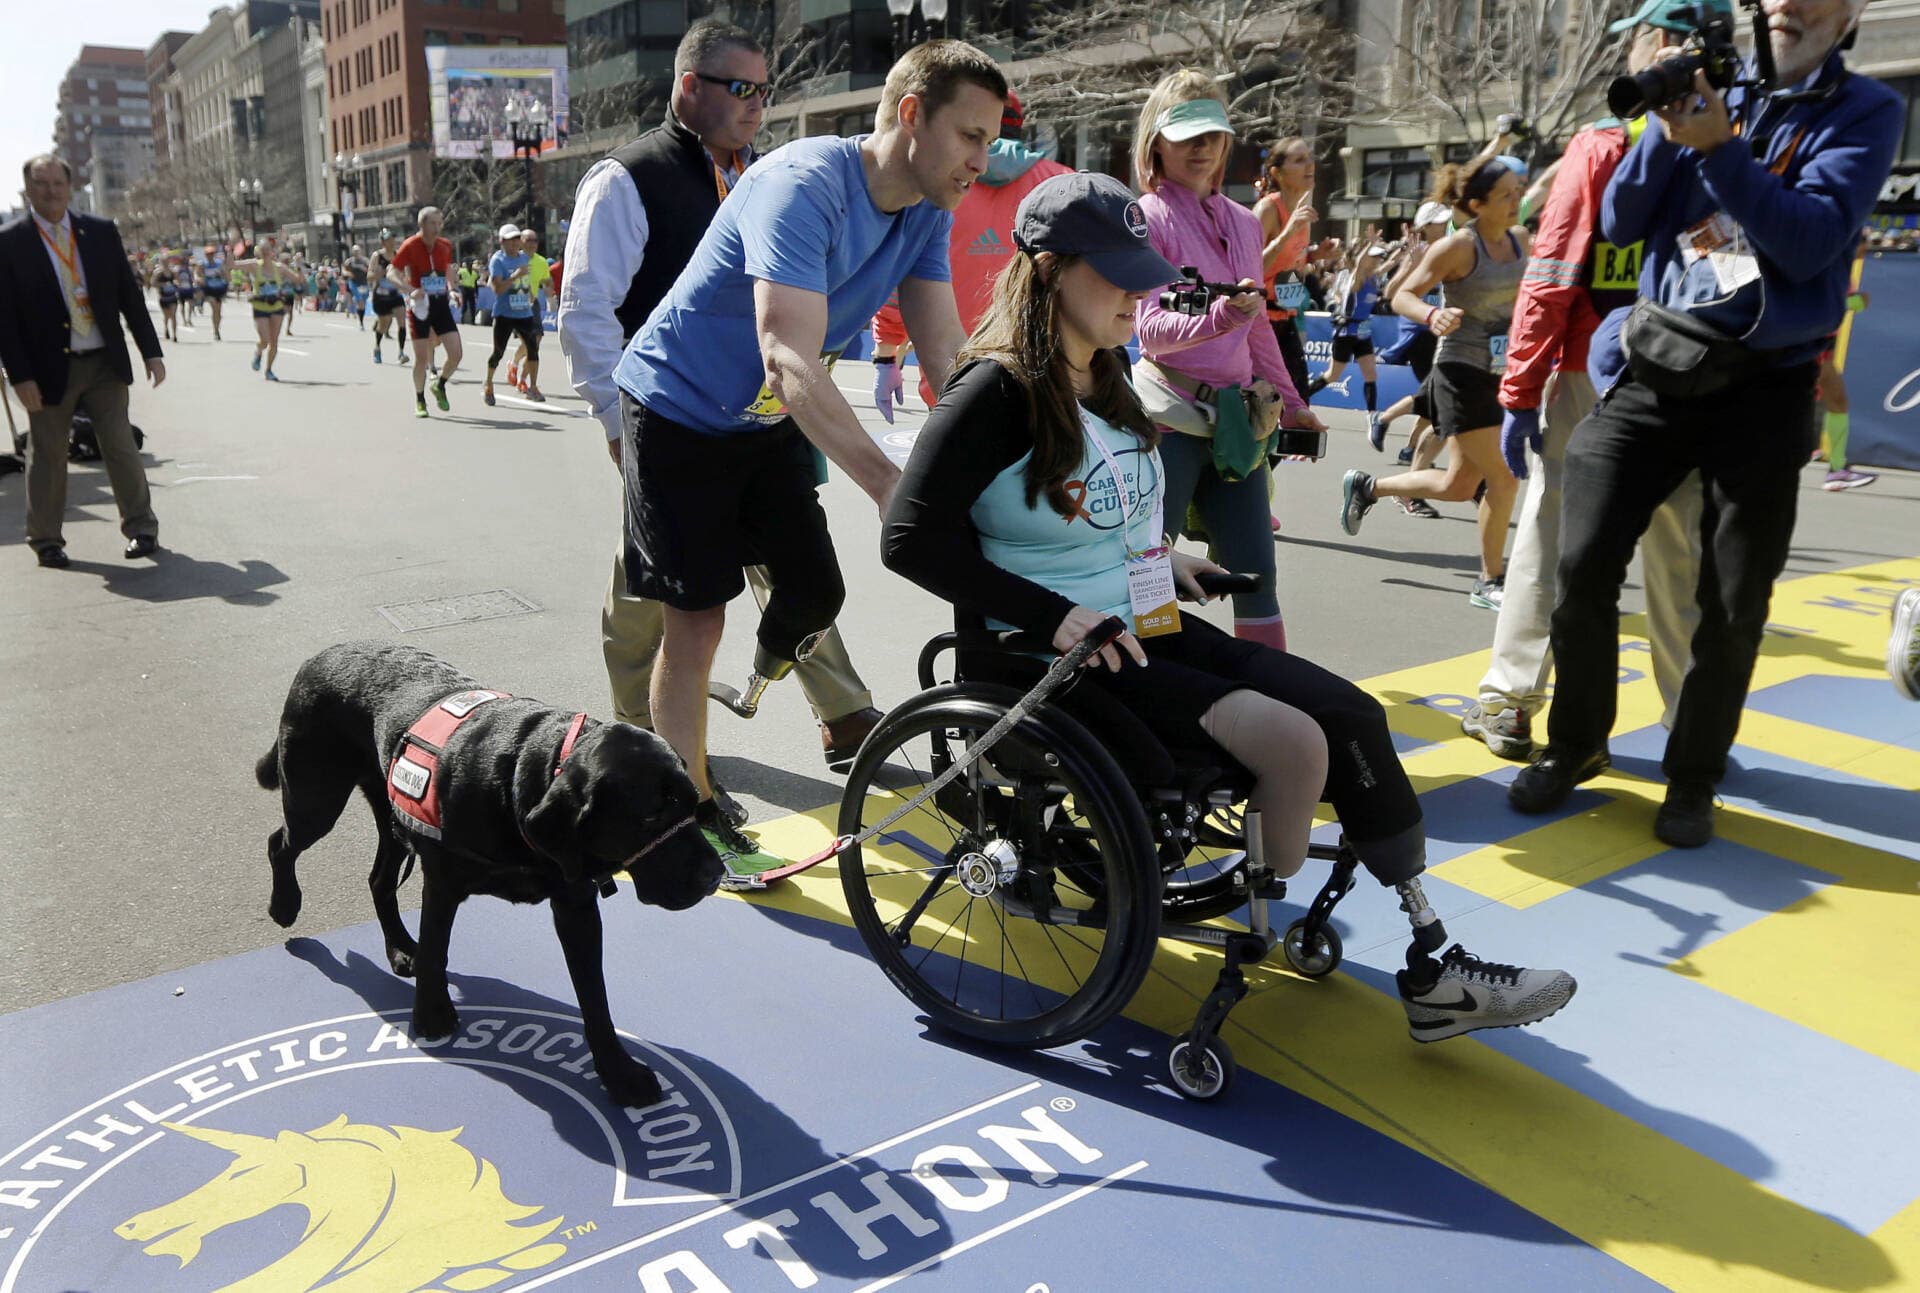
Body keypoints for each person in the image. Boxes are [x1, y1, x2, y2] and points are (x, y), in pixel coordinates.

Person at [883, 171, 1579, 1041]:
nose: (1142, 293)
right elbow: (909, 541)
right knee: (1294, 746)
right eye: (1120, 273)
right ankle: (1276, 899)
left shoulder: (1102, 376)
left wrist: (1170, 562)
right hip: (1047, 663)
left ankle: (1433, 962)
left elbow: (1100, 513)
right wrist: (1053, 615)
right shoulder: (991, 391)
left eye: (1146, 272)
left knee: (1352, 714)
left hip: (1139, 628)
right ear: (1052, 270)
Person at [606, 39, 1002, 882]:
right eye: (970, 135)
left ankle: (750, 687)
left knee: (817, 590)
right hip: (675, 409)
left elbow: (943, 357)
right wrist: (897, 488)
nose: (983, 159)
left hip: (759, 422)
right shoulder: (802, 184)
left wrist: (999, 464)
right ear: (910, 116)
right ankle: (689, 808)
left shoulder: (929, 205)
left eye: (991, 140)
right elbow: (789, 359)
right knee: (697, 618)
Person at [1510, 0, 1900, 847]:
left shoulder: (1868, 111)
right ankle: (1577, 744)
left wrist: (1720, 149)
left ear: (1852, 12)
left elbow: (1807, 242)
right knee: (1580, 568)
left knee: (1730, 601)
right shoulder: (1707, 84)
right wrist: (1667, 120)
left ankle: (1693, 776)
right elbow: (1620, 220)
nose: (1791, 6)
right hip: (1657, 368)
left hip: (1766, 387)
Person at [558, 19, 888, 805]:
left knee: (793, 568)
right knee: (653, 592)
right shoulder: (625, 179)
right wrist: (614, 424)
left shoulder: (768, 174)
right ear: (688, 87)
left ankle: (843, 713)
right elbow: (585, 310)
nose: (757, 106)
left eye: (765, 91)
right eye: (742, 89)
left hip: (760, 410)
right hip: (665, 419)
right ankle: (640, 736)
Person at [1463, 1, 1716, 762]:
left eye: (1636, 38)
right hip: (1692, 373)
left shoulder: (1603, 144)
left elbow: (1551, 276)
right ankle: (1690, 724)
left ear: (1658, 43)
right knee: (1681, 558)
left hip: (1584, 375)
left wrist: (1517, 391)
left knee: (1547, 538)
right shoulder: (1726, 144)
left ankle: (1510, 701)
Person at [1128, 72, 1323, 653]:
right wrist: (1222, 318)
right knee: (1149, 576)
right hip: (1167, 420)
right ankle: (1150, 692)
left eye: (1212, 134)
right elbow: (1148, 331)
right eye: (1187, 134)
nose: (1202, 148)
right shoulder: (1145, 217)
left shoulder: (1242, 222)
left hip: (1240, 426)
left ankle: (1275, 701)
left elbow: (1259, 326)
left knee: (1258, 578)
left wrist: (1294, 405)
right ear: (1156, 141)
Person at [1340, 156, 1531, 611]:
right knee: (1502, 478)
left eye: (1518, 191)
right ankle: (1490, 581)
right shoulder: (1459, 248)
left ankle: (1369, 488)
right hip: (1459, 373)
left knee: (1458, 487)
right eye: (1506, 194)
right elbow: (1399, 293)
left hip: (1500, 372)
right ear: (1477, 205)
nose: (1516, 200)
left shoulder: (1522, 240)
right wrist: (1431, 314)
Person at [0, 154, 164, 566]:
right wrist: (20, 376)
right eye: (41, 183)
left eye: (57, 183)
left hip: (104, 362)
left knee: (121, 446)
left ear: (70, 187)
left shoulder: (99, 232)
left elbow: (129, 295)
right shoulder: (9, 241)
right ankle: (46, 539)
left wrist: (151, 350)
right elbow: (4, 318)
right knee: (49, 454)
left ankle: (142, 529)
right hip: (47, 370)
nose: (50, 190)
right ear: (28, 189)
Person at [868, 89, 1072, 416]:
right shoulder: (1063, 184)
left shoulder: (937, 188)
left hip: (952, 383)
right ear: (1019, 127)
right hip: (1046, 380)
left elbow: (899, 277)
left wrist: (886, 353)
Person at [387, 207, 462, 418]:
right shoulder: (410, 245)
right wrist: (410, 290)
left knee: (456, 354)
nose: (437, 228)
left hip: (440, 304)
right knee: (421, 358)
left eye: (440, 223)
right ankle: (420, 399)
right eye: (433, 224)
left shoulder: (445, 245)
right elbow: (392, 272)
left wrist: (452, 289)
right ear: (422, 225)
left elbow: (447, 268)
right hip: (419, 306)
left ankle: (440, 384)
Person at [1305, 241, 1386, 421]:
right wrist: (1367, 246)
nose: (1377, 261)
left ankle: (1372, 415)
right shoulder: (1355, 278)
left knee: (1371, 374)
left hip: (1363, 334)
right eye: (1374, 258)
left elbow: (1391, 263)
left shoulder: (1374, 278)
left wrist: (1403, 250)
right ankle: (1303, 395)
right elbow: (1360, 263)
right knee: (1332, 376)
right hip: (1346, 332)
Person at [483, 223, 542, 405]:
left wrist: (531, 295)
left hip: (524, 312)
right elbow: (497, 289)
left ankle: (533, 386)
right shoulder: (498, 261)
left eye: (517, 239)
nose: (514, 243)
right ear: (502, 242)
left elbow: (525, 282)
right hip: (504, 314)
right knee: (498, 352)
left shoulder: (524, 258)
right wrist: (515, 275)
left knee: (533, 349)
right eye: (510, 240)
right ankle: (489, 383)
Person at [231, 242, 297, 380]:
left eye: (269, 249)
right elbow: (232, 265)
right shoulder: (254, 265)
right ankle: (259, 352)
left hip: (276, 306)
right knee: (265, 340)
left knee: (274, 341)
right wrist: (229, 251)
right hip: (260, 306)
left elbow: (297, 279)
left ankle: (269, 370)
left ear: (273, 252)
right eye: (264, 249)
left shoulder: (279, 268)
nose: (267, 252)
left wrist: (298, 270)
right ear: (260, 252)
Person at [507, 225, 551, 394]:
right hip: (517, 305)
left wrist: (550, 292)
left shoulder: (541, 262)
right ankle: (515, 363)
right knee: (527, 344)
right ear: (520, 242)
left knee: (536, 342)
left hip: (533, 306)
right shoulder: (513, 260)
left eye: (535, 240)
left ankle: (522, 380)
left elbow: (546, 283)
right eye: (528, 240)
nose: (532, 244)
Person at [369, 230, 408, 364]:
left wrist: (403, 280)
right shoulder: (377, 256)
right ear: (382, 242)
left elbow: (404, 273)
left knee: (402, 321)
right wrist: (378, 274)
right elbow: (369, 276)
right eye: (388, 239)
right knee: (383, 324)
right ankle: (377, 347)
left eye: (393, 238)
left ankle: (401, 353)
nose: (392, 241)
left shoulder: (398, 255)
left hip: (395, 294)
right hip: (381, 296)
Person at [202, 248, 228, 341]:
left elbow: (225, 275)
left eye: (211, 254)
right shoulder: (203, 264)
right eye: (208, 254)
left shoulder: (219, 263)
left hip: (219, 288)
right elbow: (197, 274)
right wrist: (199, 279)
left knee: (218, 311)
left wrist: (222, 276)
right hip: (209, 289)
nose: (210, 255)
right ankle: (215, 331)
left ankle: (217, 328)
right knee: (214, 308)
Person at [343, 244, 370, 328]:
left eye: (357, 251)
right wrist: (347, 273)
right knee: (360, 301)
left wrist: (367, 270)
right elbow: (343, 270)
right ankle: (361, 323)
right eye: (354, 251)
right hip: (354, 283)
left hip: (364, 283)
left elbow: (371, 270)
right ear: (352, 252)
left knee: (363, 303)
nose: (356, 253)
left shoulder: (365, 261)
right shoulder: (349, 261)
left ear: (360, 251)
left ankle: (359, 312)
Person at [154, 260, 180, 342]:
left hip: (172, 296)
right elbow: (153, 283)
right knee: (166, 316)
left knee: (173, 315)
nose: (166, 264)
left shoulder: (173, 272)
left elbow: (178, 282)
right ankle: (166, 328)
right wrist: (163, 284)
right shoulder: (158, 273)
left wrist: (176, 283)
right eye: (164, 262)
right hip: (163, 297)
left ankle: (174, 335)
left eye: (167, 262)